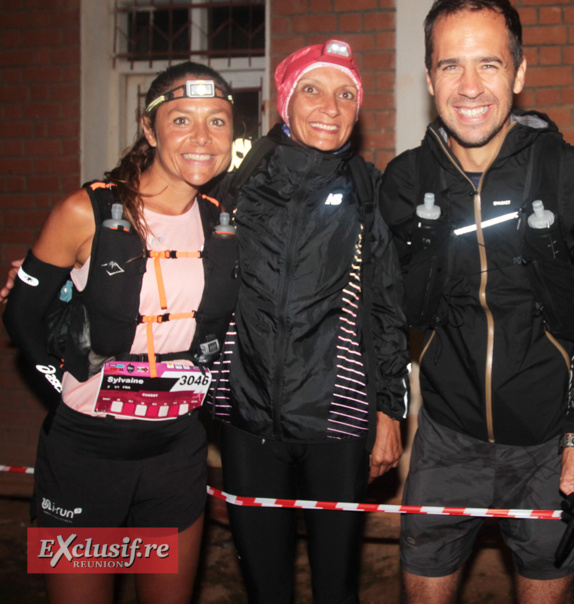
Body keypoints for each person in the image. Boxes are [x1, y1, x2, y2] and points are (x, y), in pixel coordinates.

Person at [378, 1, 574, 602]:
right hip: (444, 440)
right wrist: (386, 403)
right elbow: (377, 306)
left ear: (518, 72)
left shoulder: (565, 172)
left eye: (489, 64)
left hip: (546, 447)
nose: (470, 87)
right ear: (429, 79)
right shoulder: (405, 182)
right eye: (450, 66)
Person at [2, 62, 239, 603]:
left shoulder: (229, 222)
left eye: (218, 122)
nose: (202, 138)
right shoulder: (85, 210)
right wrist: (60, 388)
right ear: (150, 129)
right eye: (182, 121)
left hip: (177, 455)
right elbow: (20, 315)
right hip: (85, 457)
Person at [212, 40, 409, 604]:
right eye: (313, 89)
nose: (331, 106)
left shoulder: (367, 193)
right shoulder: (237, 185)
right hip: (247, 417)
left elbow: (387, 308)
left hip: (340, 419)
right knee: (264, 586)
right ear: (285, 101)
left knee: (336, 585)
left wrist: (390, 409)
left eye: (346, 94)